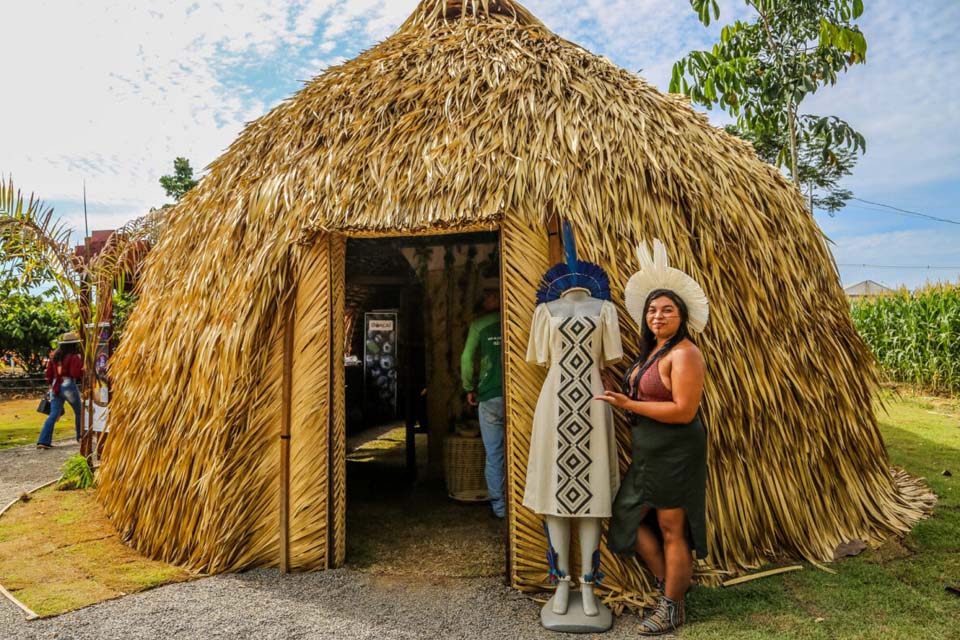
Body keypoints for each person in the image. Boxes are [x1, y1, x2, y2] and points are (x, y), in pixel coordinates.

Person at [595, 240, 710, 636]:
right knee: (628, 517)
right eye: (652, 310)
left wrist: (629, 403)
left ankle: (672, 606)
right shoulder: (652, 352)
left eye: (667, 310)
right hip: (649, 453)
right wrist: (619, 391)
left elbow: (684, 410)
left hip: (676, 450)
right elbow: (643, 396)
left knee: (672, 528)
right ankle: (671, 586)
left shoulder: (685, 354)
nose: (657, 316)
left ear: (682, 316)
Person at [460, 281, 505, 519]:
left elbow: (466, 359)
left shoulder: (479, 325)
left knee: (494, 453)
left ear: (497, 296)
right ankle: (520, 505)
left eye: (489, 294)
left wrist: (469, 387)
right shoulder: (515, 319)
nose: (486, 298)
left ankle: (500, 508)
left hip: (489, 396)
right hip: (516, 395)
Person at [37, 331, 84, 449]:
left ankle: (43, 441)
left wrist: (51, 385)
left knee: (53, 415)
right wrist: (84, 369)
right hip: (68, 384)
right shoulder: (73, 357)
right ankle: (81, 437)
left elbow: (48, 374)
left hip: (55, 385)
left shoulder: (55, 356)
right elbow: (75, 373)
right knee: (79, 412)